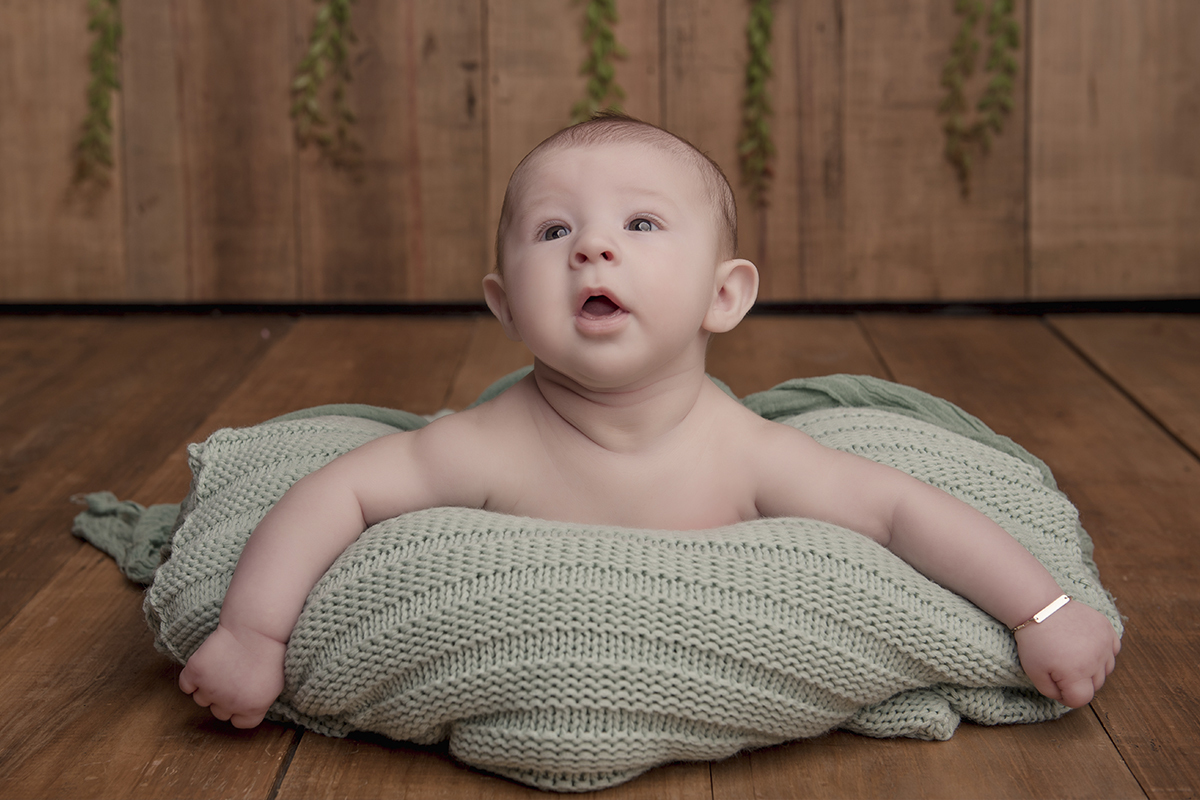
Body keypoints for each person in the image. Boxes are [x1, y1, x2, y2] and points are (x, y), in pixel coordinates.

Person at [179, 114, 1119, 728]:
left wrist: (1041, 612)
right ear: (505, 306)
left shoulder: (750, 454)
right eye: (554, 232)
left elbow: (901, 513)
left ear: (724, 295)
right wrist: (255, 635)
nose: (591, 244)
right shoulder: (482, 443)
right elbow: (334, 492)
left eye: (641, 225)